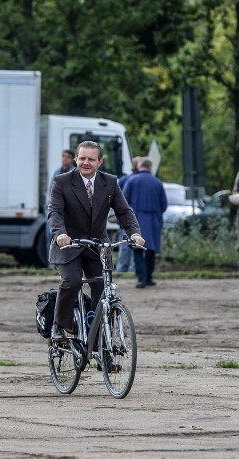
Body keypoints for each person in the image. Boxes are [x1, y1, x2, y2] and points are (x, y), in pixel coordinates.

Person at [47, 141, 143, 341]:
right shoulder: (62, 181)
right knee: (72, 282)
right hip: (69, 244)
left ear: (100, 161)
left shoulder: (110, 182)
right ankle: (60, 323)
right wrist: (60, 234)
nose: (86, 163)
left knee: (104, 289)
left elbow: (124, 211)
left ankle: (103, 343)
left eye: (91, 159)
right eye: (82, 158)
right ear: (75, 159)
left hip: (98, 246)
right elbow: (54, 212)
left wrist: (134, 233)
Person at [123, 158, 167, 288]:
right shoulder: (157, 182)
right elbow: (164, 204)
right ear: (150, 167)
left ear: (140, 166)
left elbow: (123, 202)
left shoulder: (132, 180)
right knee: (151, 250)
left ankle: (141, 279)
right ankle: (149, 277)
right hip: (154, 219)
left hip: (136, 219)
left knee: (137, 249)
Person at [46, 149, 77, 265]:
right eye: (63, 156)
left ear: (72, 159)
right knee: (52, 237)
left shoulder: (74, 173)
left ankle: (66, 264)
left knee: (67, 238)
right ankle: (51, 263)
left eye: (67, 157)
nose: (64, 159)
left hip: (68, 211)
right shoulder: (57, 172)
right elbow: (51, 191)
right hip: (55, 209)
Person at [116, 156, 142, 273]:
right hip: (140, 218)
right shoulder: (141, 179)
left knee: (125, 243)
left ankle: (121, 268)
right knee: (137, 243)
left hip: (125, 218)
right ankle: (133, 268)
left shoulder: (124, 179)